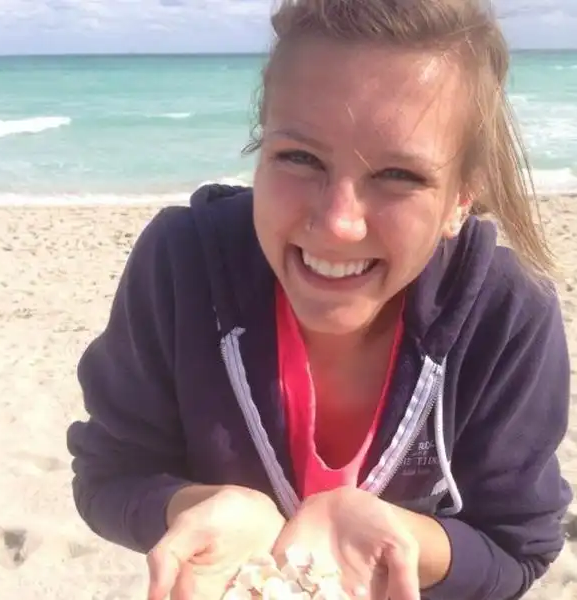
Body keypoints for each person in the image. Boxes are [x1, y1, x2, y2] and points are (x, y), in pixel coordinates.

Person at [66, 1, 572, 599]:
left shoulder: (506, 315)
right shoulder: (183, 266)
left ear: (462, 197)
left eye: (399, 175)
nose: (338, 224)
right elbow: (112, 471)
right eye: (300, 158)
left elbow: (516, 544)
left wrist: (406, 539)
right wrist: (197, 505)